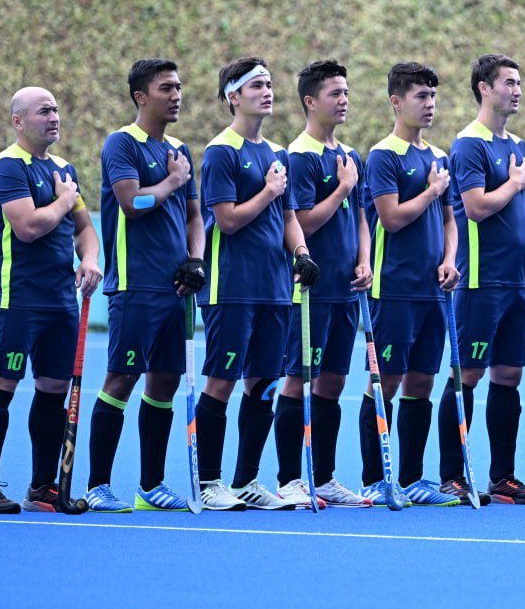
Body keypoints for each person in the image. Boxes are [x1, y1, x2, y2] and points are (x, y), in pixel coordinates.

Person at [437, 54, 525, 504]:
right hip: (481, 282)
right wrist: (512, 183)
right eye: (508, 83)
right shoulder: (468, 145)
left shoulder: (519, 146)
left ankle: (503, 476)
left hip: (519, 283)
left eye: (519, 83)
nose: (517, 90)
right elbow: (475, 207)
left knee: (509, 376)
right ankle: (452, 475)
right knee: (468, 374)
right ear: (484, 88)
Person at [194, 57, 320, 511]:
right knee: (222, 382)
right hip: (231, 287)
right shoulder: (221, 152)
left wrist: (301, 253)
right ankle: (208, 482)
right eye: (256, 86)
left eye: (269, 85)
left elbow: (288, 217)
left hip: (274, 288)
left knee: (264, 385)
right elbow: (227, 221)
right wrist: (267, 190)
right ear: (233, 96)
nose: (267, 92)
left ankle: (246, 480)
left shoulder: (277, 154)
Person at [84, 59, 204, 512]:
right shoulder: (122, 143)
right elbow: (132, 202)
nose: (176, 95)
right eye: (166, 88)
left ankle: (151, 487)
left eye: (178, 87)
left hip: (176, 289)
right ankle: (97, 486)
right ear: (141, 96)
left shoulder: (180, 148)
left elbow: (194, 218)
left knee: (165, 382)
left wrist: (195, 260)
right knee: (122, 377)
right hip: (135, 286)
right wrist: (173, 180)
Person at [0, 87, 102, 513]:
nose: (54, 117)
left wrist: (89, 258)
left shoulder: (64, 169)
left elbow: (84, 229)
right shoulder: (8, 167)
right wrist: (64, 199)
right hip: (19, 300)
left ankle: (42, 487)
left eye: (55, 109)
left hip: (61, 302)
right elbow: (29, 227)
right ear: (18, 121)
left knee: (53, 390)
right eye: (43, 111)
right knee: (1, 388)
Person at [271, 59, 373, 509]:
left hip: (346, 292)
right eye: (335, 93)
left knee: (332, 384)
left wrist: (365, 261)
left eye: (346, 92)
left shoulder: (349, 155)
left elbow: (363, 220)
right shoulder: (299, 156)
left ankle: (325, 477)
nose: (344, 100)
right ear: (310, 101)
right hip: (309, 291)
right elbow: (302, 223)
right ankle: (290, 479)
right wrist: (342, 189)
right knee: (298, 381)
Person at [358, 62, 461, 507]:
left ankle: (414, 478)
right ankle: (374, 479)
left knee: (422, 383)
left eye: (433, 96)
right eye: (421, 96)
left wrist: (450, 260)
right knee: (385, 382)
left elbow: (450, 221)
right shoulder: (383, 155)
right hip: (394, 289)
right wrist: (431, 191)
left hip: (432, 292)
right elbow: (392, 218)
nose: (430, 104)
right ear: (396, 102)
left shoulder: (438, 156)